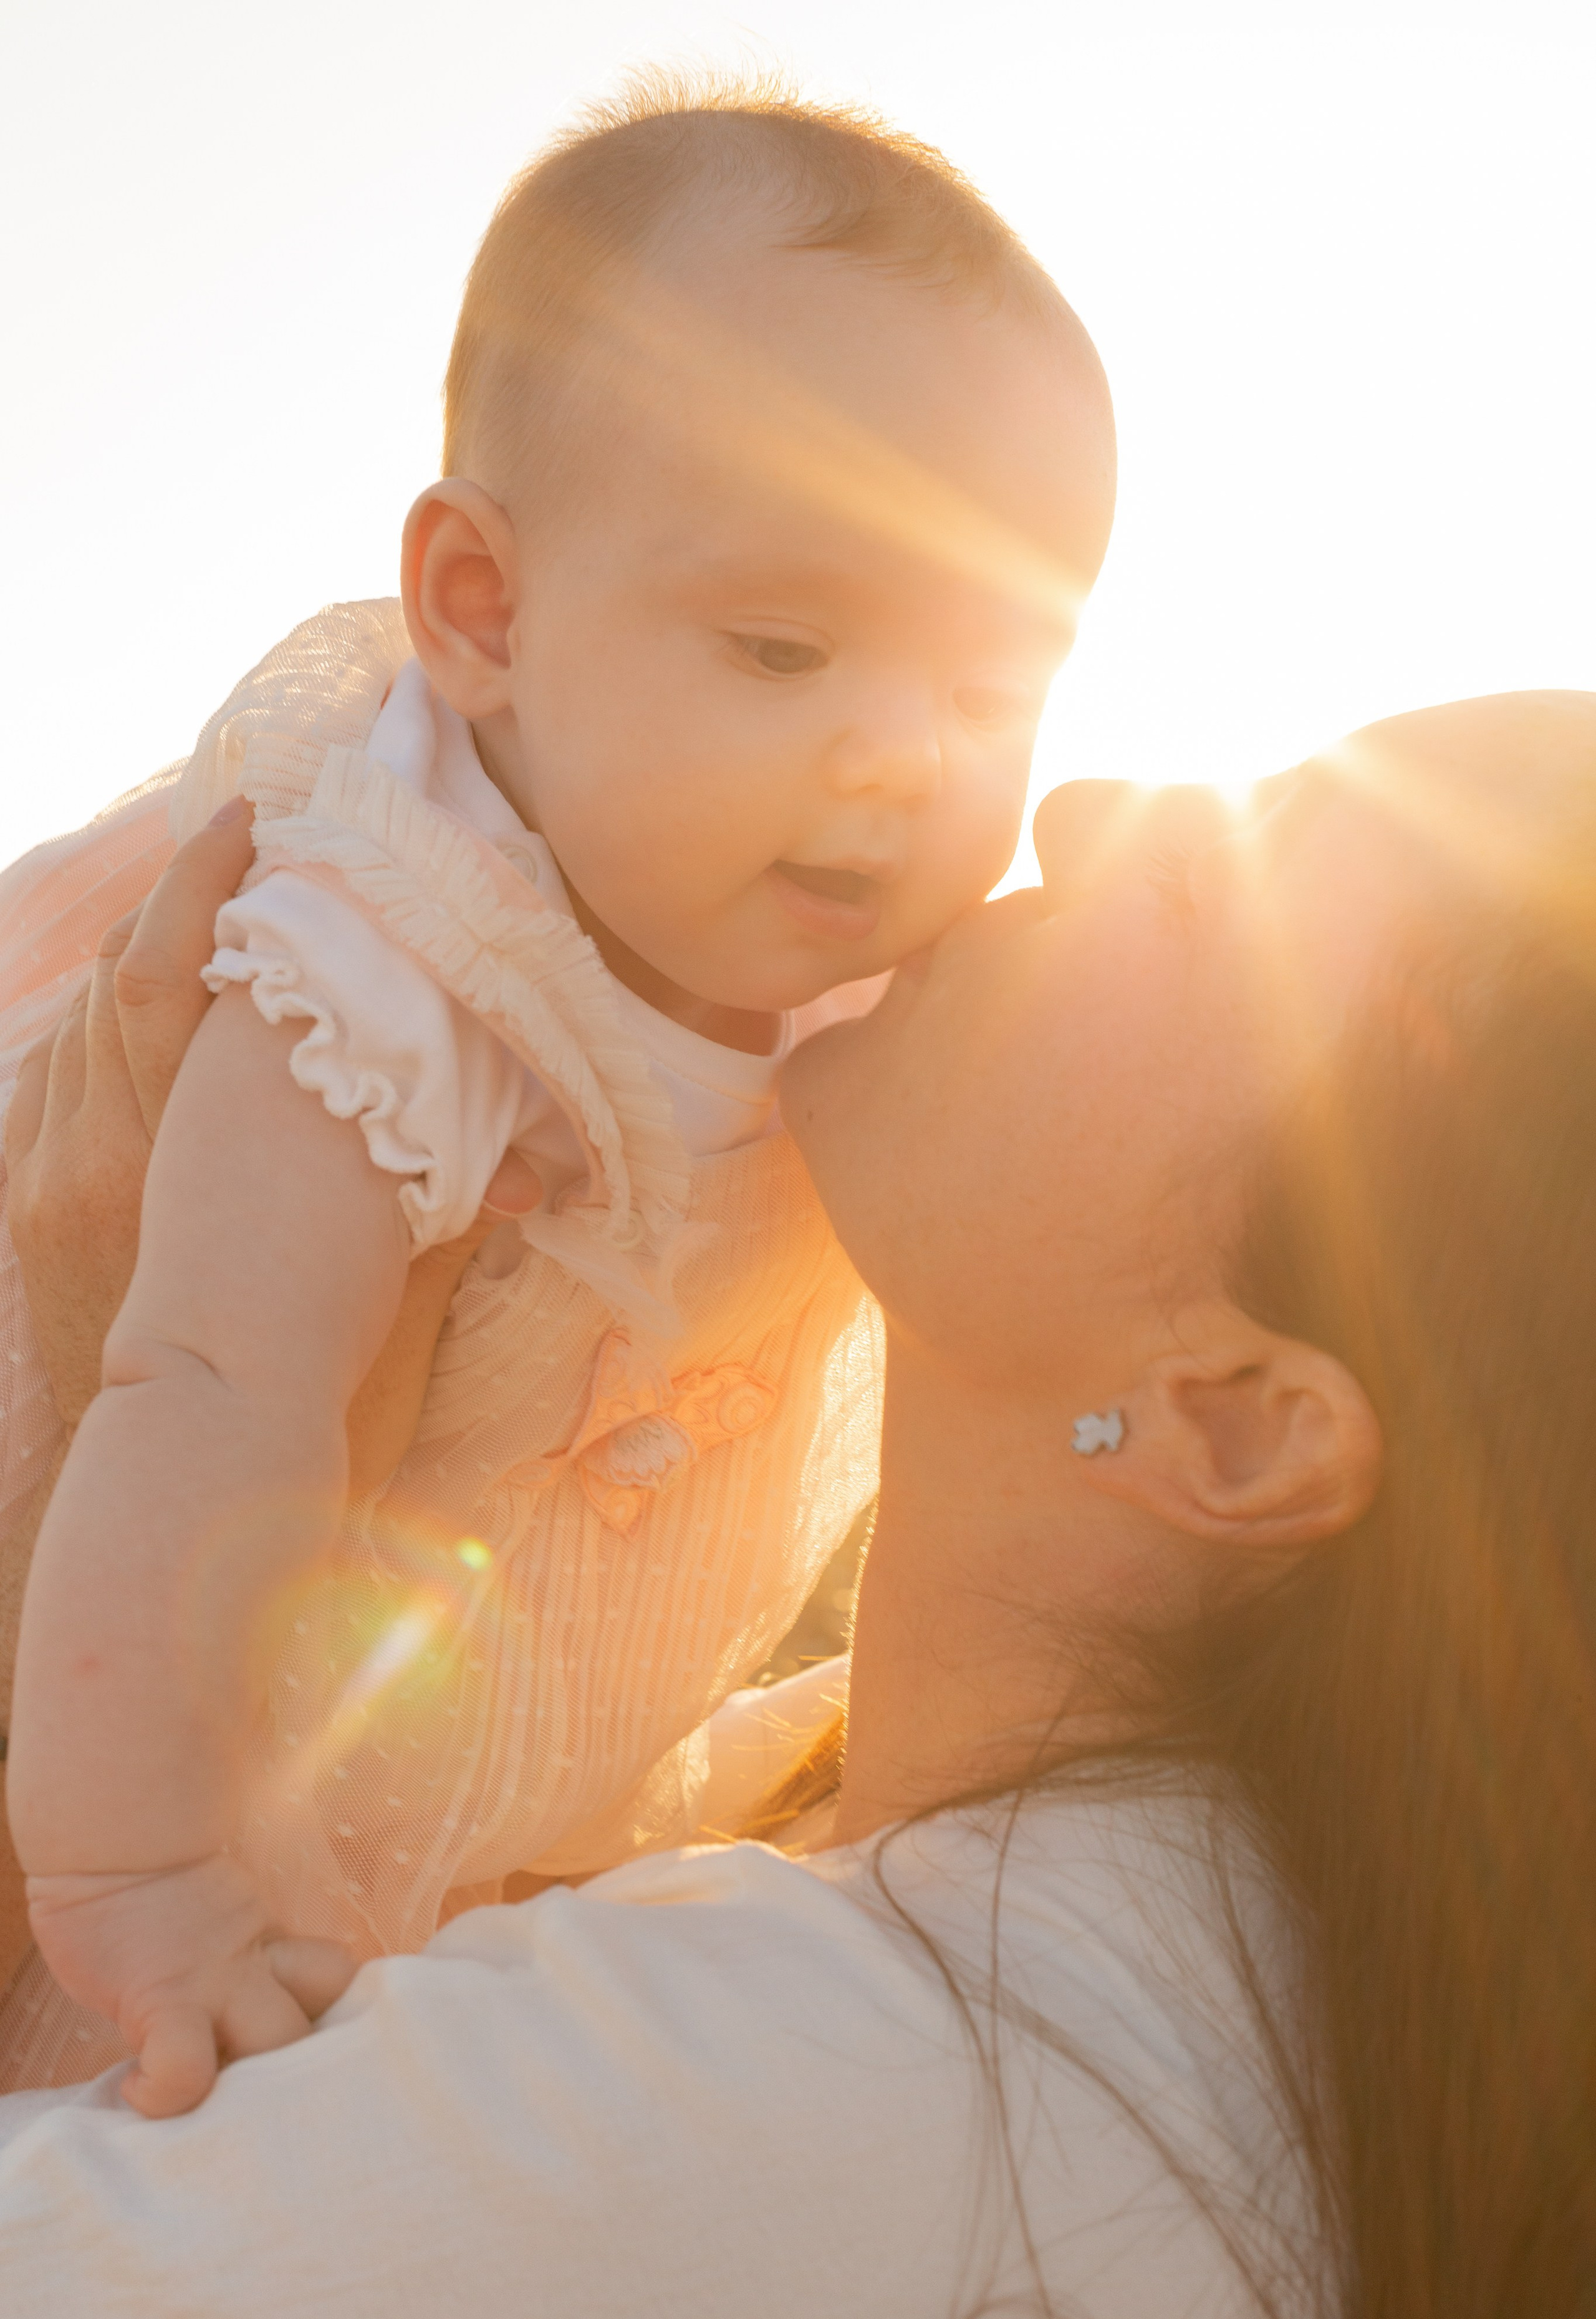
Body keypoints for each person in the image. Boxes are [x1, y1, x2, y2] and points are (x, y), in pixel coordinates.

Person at [0, 689, 1591, 2319]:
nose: (1090, 803)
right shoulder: (1211, 2003)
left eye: (1215, 892)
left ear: (1235, 1424)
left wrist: (106, 1426)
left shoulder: (839, 2105)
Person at [0, 80, 1115, 2108]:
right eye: (787, 648)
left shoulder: (846, 974)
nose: (901, 757)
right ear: (485, 613)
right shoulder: (401, 941)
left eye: (987, 687)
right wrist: (145, 1868)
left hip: (410, 1662)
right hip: (122, 1658)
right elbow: (195, 1390)